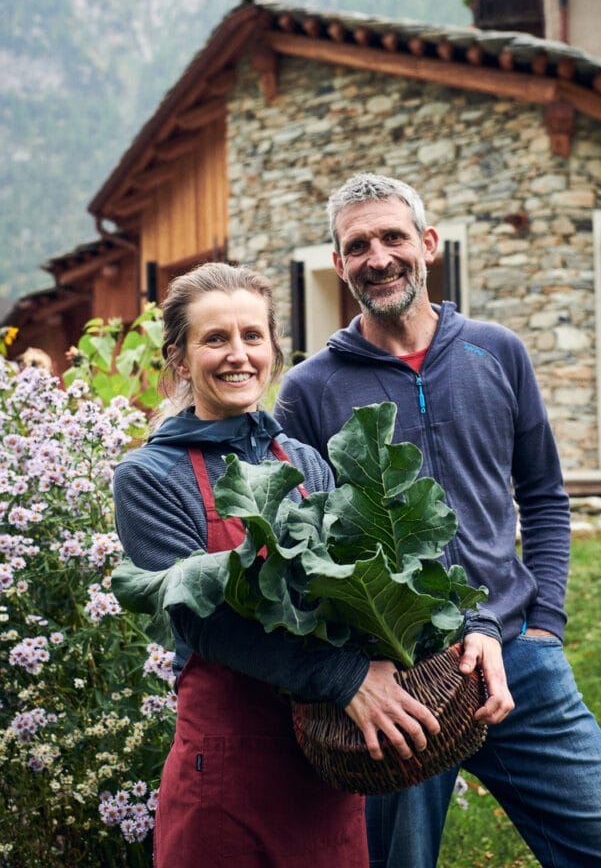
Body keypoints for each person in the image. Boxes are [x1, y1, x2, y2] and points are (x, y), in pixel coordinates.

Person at [274, 174, 601, 868]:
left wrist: (545, 626)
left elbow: (543, 495)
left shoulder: (496, 351)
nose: (378, 258)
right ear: (338, 263)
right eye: (357, 246)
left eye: (393, 237)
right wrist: (356, 669)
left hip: (519, 656)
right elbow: (302, 544)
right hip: (398, 679)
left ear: (428, 244)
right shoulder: (309, 390)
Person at [113, 261, 446, 868]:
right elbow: (203, 624)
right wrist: (344, 679)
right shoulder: (149, 477)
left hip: (325, 763)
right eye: (215, 339)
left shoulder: (304, 462)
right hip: (225, 775)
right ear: (180, 359)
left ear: (272, 349)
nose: (238, 355)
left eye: (252, 336)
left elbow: (354, 584)